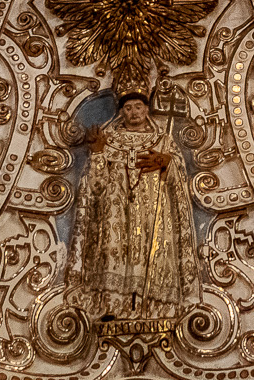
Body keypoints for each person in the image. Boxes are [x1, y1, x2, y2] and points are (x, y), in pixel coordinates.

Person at [66, 90, 199, 325]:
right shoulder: (108, 141)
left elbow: (178, 181)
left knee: (153, 255)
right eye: (128, 108)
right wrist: (98, 153)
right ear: (121, 112)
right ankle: (113, 306)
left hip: (154, 212)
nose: (134, 112)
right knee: (113, 253)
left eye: (138, 107)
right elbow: (95, 187)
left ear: (147, 110)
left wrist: (168, 164)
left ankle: (154, 308)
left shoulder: (162, 141)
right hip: (115, 215)